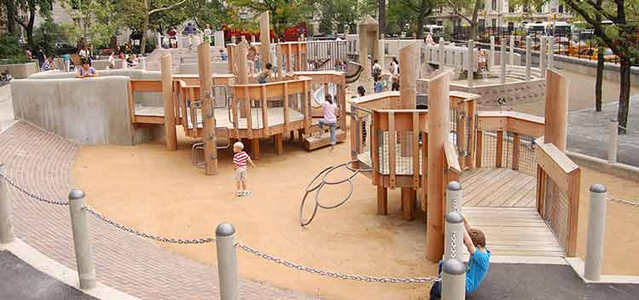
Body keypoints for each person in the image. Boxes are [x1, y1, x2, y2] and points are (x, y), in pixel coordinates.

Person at [429, 216, 490, 299]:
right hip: (464, 277)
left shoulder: (482, 258)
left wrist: (459, 226)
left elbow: (470, 244)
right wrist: (461, 219)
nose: (467, 247)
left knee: (439, 284)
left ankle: (437, 295)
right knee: (442, 264)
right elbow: (470, 231)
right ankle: (443, 284)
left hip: (465, 285)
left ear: (478, 246)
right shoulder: (483, 249)